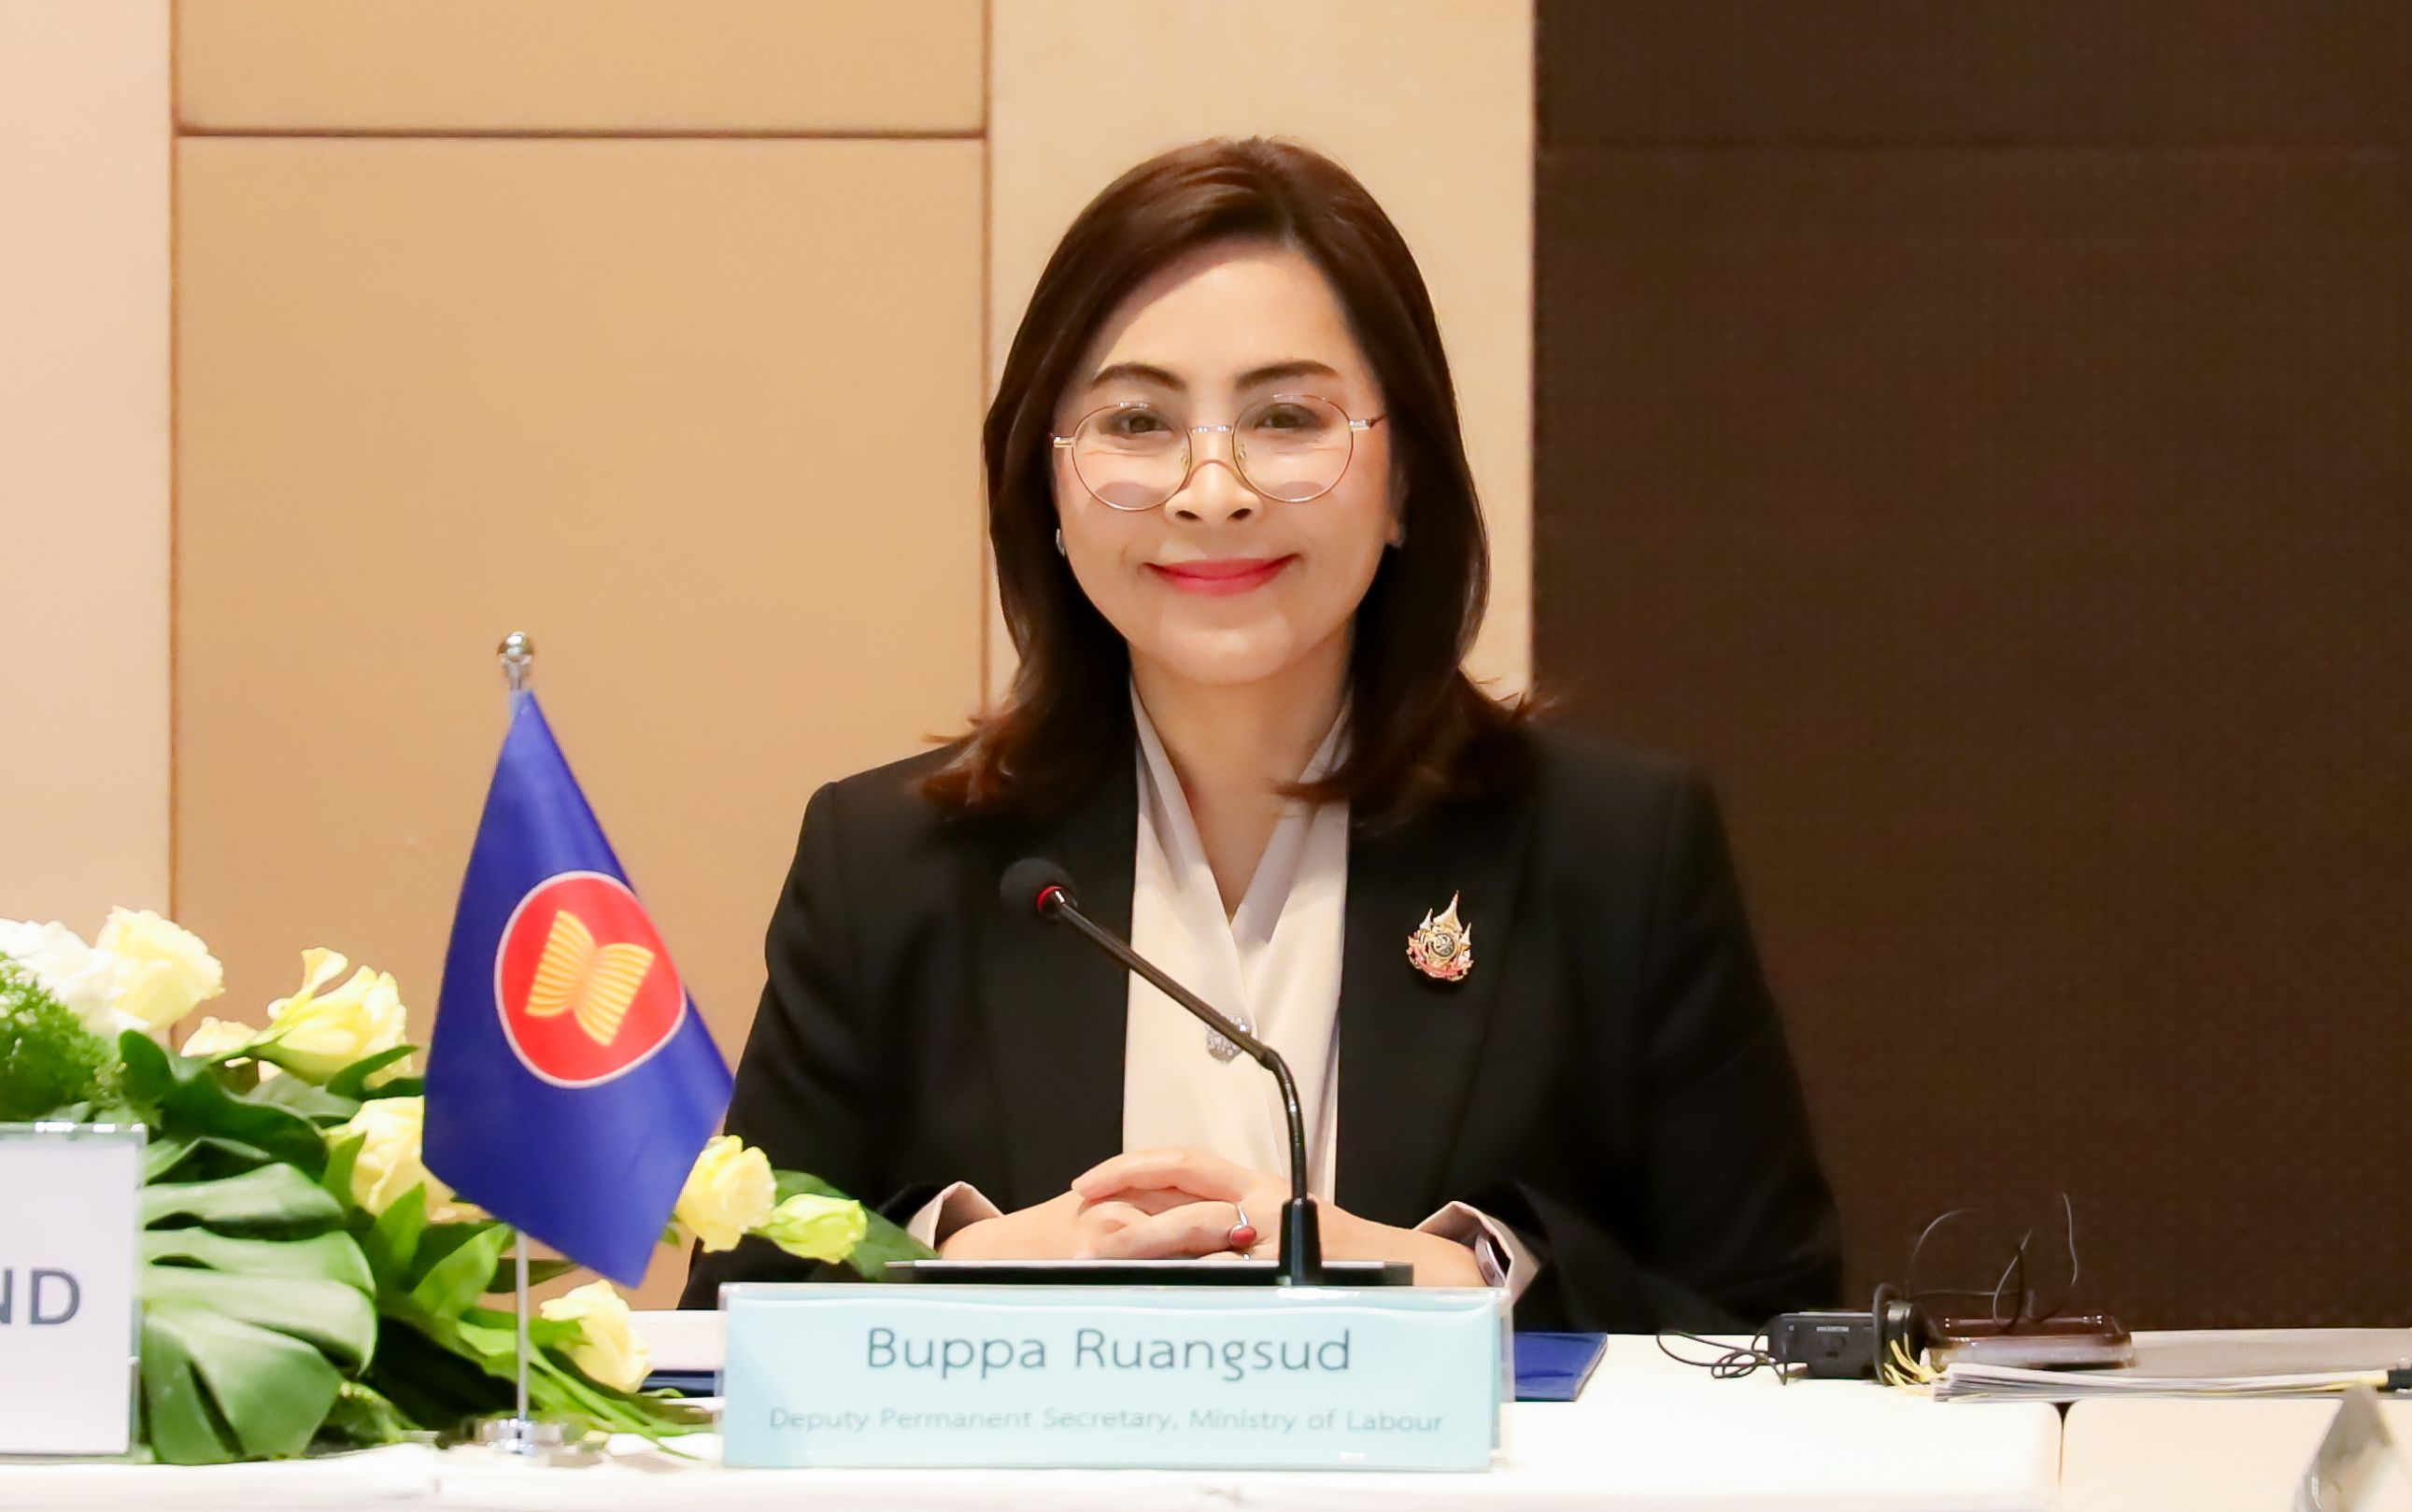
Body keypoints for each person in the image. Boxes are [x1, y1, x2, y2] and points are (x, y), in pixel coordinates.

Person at [682, 136, 1839, 1329]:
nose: (1213, 490)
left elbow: (1776, 1325)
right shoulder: (886, 865)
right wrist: (958, 1266)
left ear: (1404, 480)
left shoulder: (1611, 853)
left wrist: (1477, 1282)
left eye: (1287, 416)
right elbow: (728, 1325)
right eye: (1137, 421)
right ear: (1048, 490)